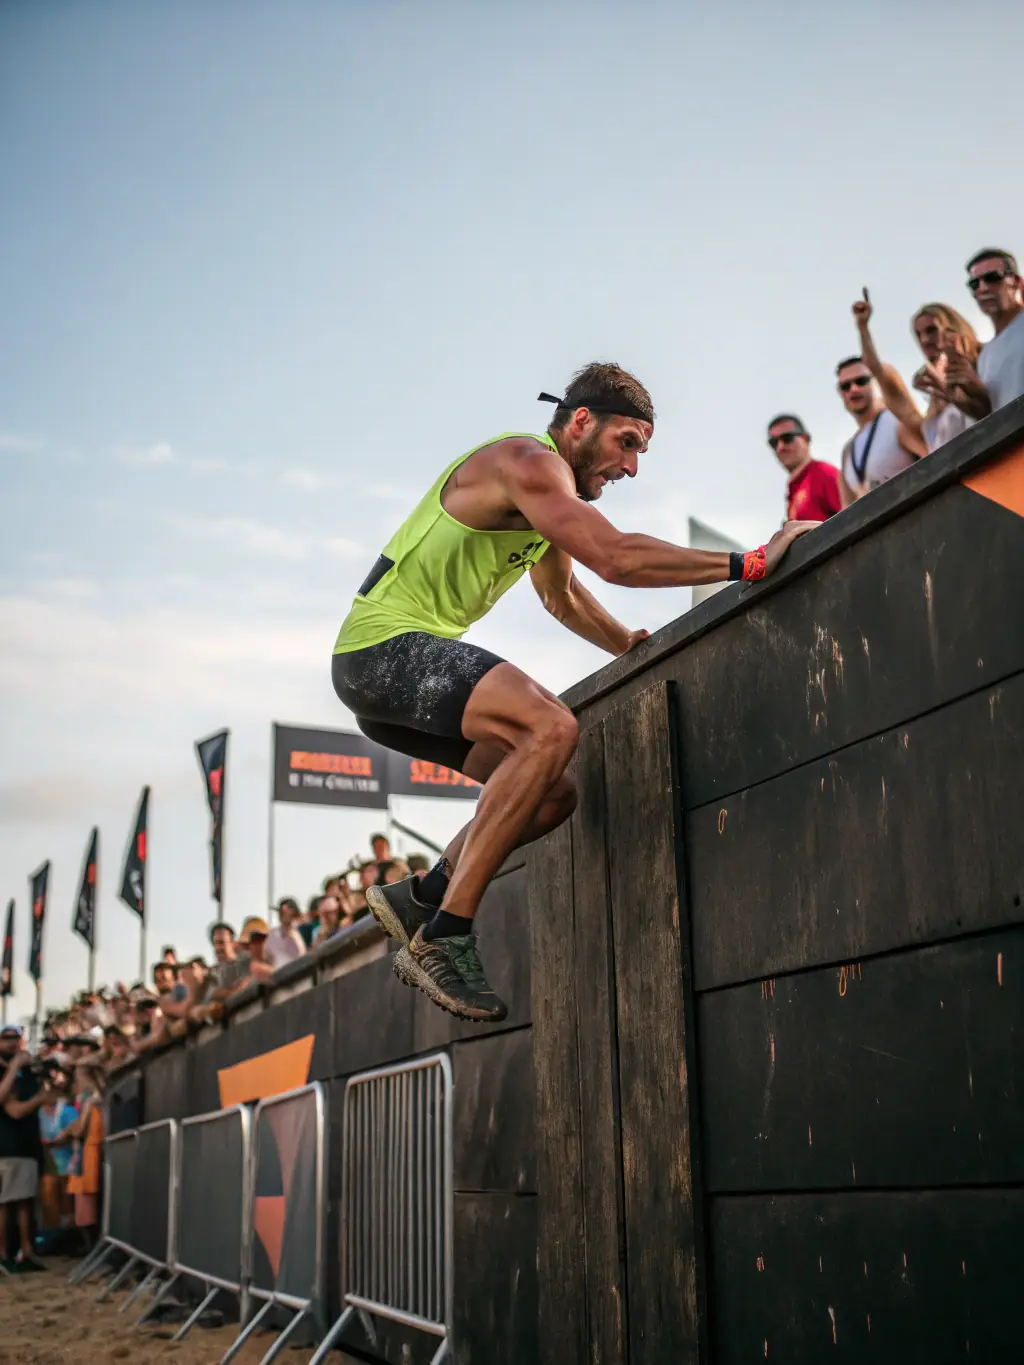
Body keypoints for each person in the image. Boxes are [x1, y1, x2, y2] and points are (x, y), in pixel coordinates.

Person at [332, 362, 814, 1021]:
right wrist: (749, 562)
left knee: (552, 793)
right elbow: (614, 557)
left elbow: (562, 596)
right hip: (380, 651)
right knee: (551, 726)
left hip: (390, 687)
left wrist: (627, 645)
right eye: (628, 443)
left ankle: (426, 892)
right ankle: (444, 934)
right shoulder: (529, 464)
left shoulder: (540, 504)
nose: (632, 468)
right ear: (581, 422)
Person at [852, 289, 980, 453]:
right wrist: (863, 328)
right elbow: (877, 371)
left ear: (952, 327)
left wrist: (949, 392)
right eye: (918, 335)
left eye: (931, 330)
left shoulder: (981, 364)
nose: (925, 340)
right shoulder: (931, 413)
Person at [835, 352, 927, 506]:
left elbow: (933, 457)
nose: (854, 389)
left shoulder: (896, 422)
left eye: (861, 381)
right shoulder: (847, 453)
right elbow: (847, 512)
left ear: (875, 381)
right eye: (846, 386)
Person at [949, 247, 1024, 418]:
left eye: (992, 278)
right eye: (974, 284)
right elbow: (997, 413)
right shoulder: (986, 355)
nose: (983, 288)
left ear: (1016, 282)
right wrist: (968, 391)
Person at [0, 1026, 49, 1271]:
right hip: (8, 1148)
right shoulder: (7, 1069)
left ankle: (25, 1251)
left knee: (23, 1202)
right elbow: (13, 1109)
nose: (11, 1043)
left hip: (27, 1147)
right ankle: (4, 1254)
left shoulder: (27, 1070)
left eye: (15, 1038)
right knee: (8, 1203)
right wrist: (41, 1098)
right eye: (6, 1038)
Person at [766, 414, 841, 522]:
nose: (780, 447)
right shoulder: (793, 488)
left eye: (787, 438)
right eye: (774, 443)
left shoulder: (824, 473)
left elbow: (854, 519)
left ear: (805, 438)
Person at [66, 1062, 105, 1248]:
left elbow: (79, 1129)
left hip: (89, 1153)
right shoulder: (85, 1099)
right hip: (84, 1154)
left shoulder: (90, 1099)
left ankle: (91, 1247)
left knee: (86, 1202)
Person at [265, 899, 307, 970]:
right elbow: (267, 956)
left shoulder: (301, 932)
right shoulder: (273, 934)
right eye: (281, 912)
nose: (281, 915)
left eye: (284, 912)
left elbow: (302, 956)